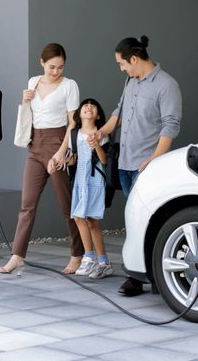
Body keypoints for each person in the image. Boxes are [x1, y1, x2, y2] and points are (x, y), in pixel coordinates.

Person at [96, 35, 182, 296]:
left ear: (134, 59)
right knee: (134, 221)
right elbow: (118, 113)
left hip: (148, 165)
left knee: (151, 221)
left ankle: (143, 278)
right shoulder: (130, 82)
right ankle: (140, 272)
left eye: (122, 64)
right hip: (125, 162)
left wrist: (155, 159)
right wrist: (100, 133)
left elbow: (171, 125)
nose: (121, 68)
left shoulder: (167, 85)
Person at [0, 43, 84, 276]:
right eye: (52, 67)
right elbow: (30, 115)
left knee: (67, 206)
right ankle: (17, 256)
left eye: (60, 67)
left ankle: (78, 255)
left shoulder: (69, 86)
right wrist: (25, 100)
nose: (56, 72)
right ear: (42, 62)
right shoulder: (33, 82)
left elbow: (73, 123)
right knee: (27, 204)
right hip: (35, 146)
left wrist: (61, 152)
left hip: (58, 143)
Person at [69, 98, 114, 279]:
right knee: (79, 218)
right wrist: (66, 160)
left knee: (92, 221)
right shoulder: (74, 133)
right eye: (85, 105)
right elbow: (73, 158)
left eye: (93, 105)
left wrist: (97, 146)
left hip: (95, 180)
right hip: (80, 181)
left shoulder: (101, 134)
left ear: (98, 115)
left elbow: (104, 161)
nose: (88, 107)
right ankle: (93, 259)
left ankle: (99, 261)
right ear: (79, 113)